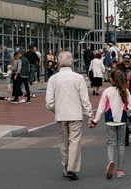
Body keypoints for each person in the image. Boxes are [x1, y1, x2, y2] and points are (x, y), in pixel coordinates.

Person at [45, 51, 94, 181]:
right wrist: (90, 114)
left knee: (64, 142)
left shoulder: (53, 79)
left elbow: (49, 102)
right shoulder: (78, 78)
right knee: (75, 141)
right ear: (72, 63)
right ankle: (72, 168)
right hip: (75, 114)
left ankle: (65, 168)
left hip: (61, 115)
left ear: (58, 63)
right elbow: (84, 98)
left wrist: (57, 110)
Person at [88, 69, 131, 179]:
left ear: (111, 79)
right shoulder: (125, 91)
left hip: (110, 121)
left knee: (110, 143)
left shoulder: (107, 91)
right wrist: (127, 114)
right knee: (121, 144)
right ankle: (120, 170)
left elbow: (100, 109)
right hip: (122, 120)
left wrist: (95, 121)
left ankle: (110, 161)